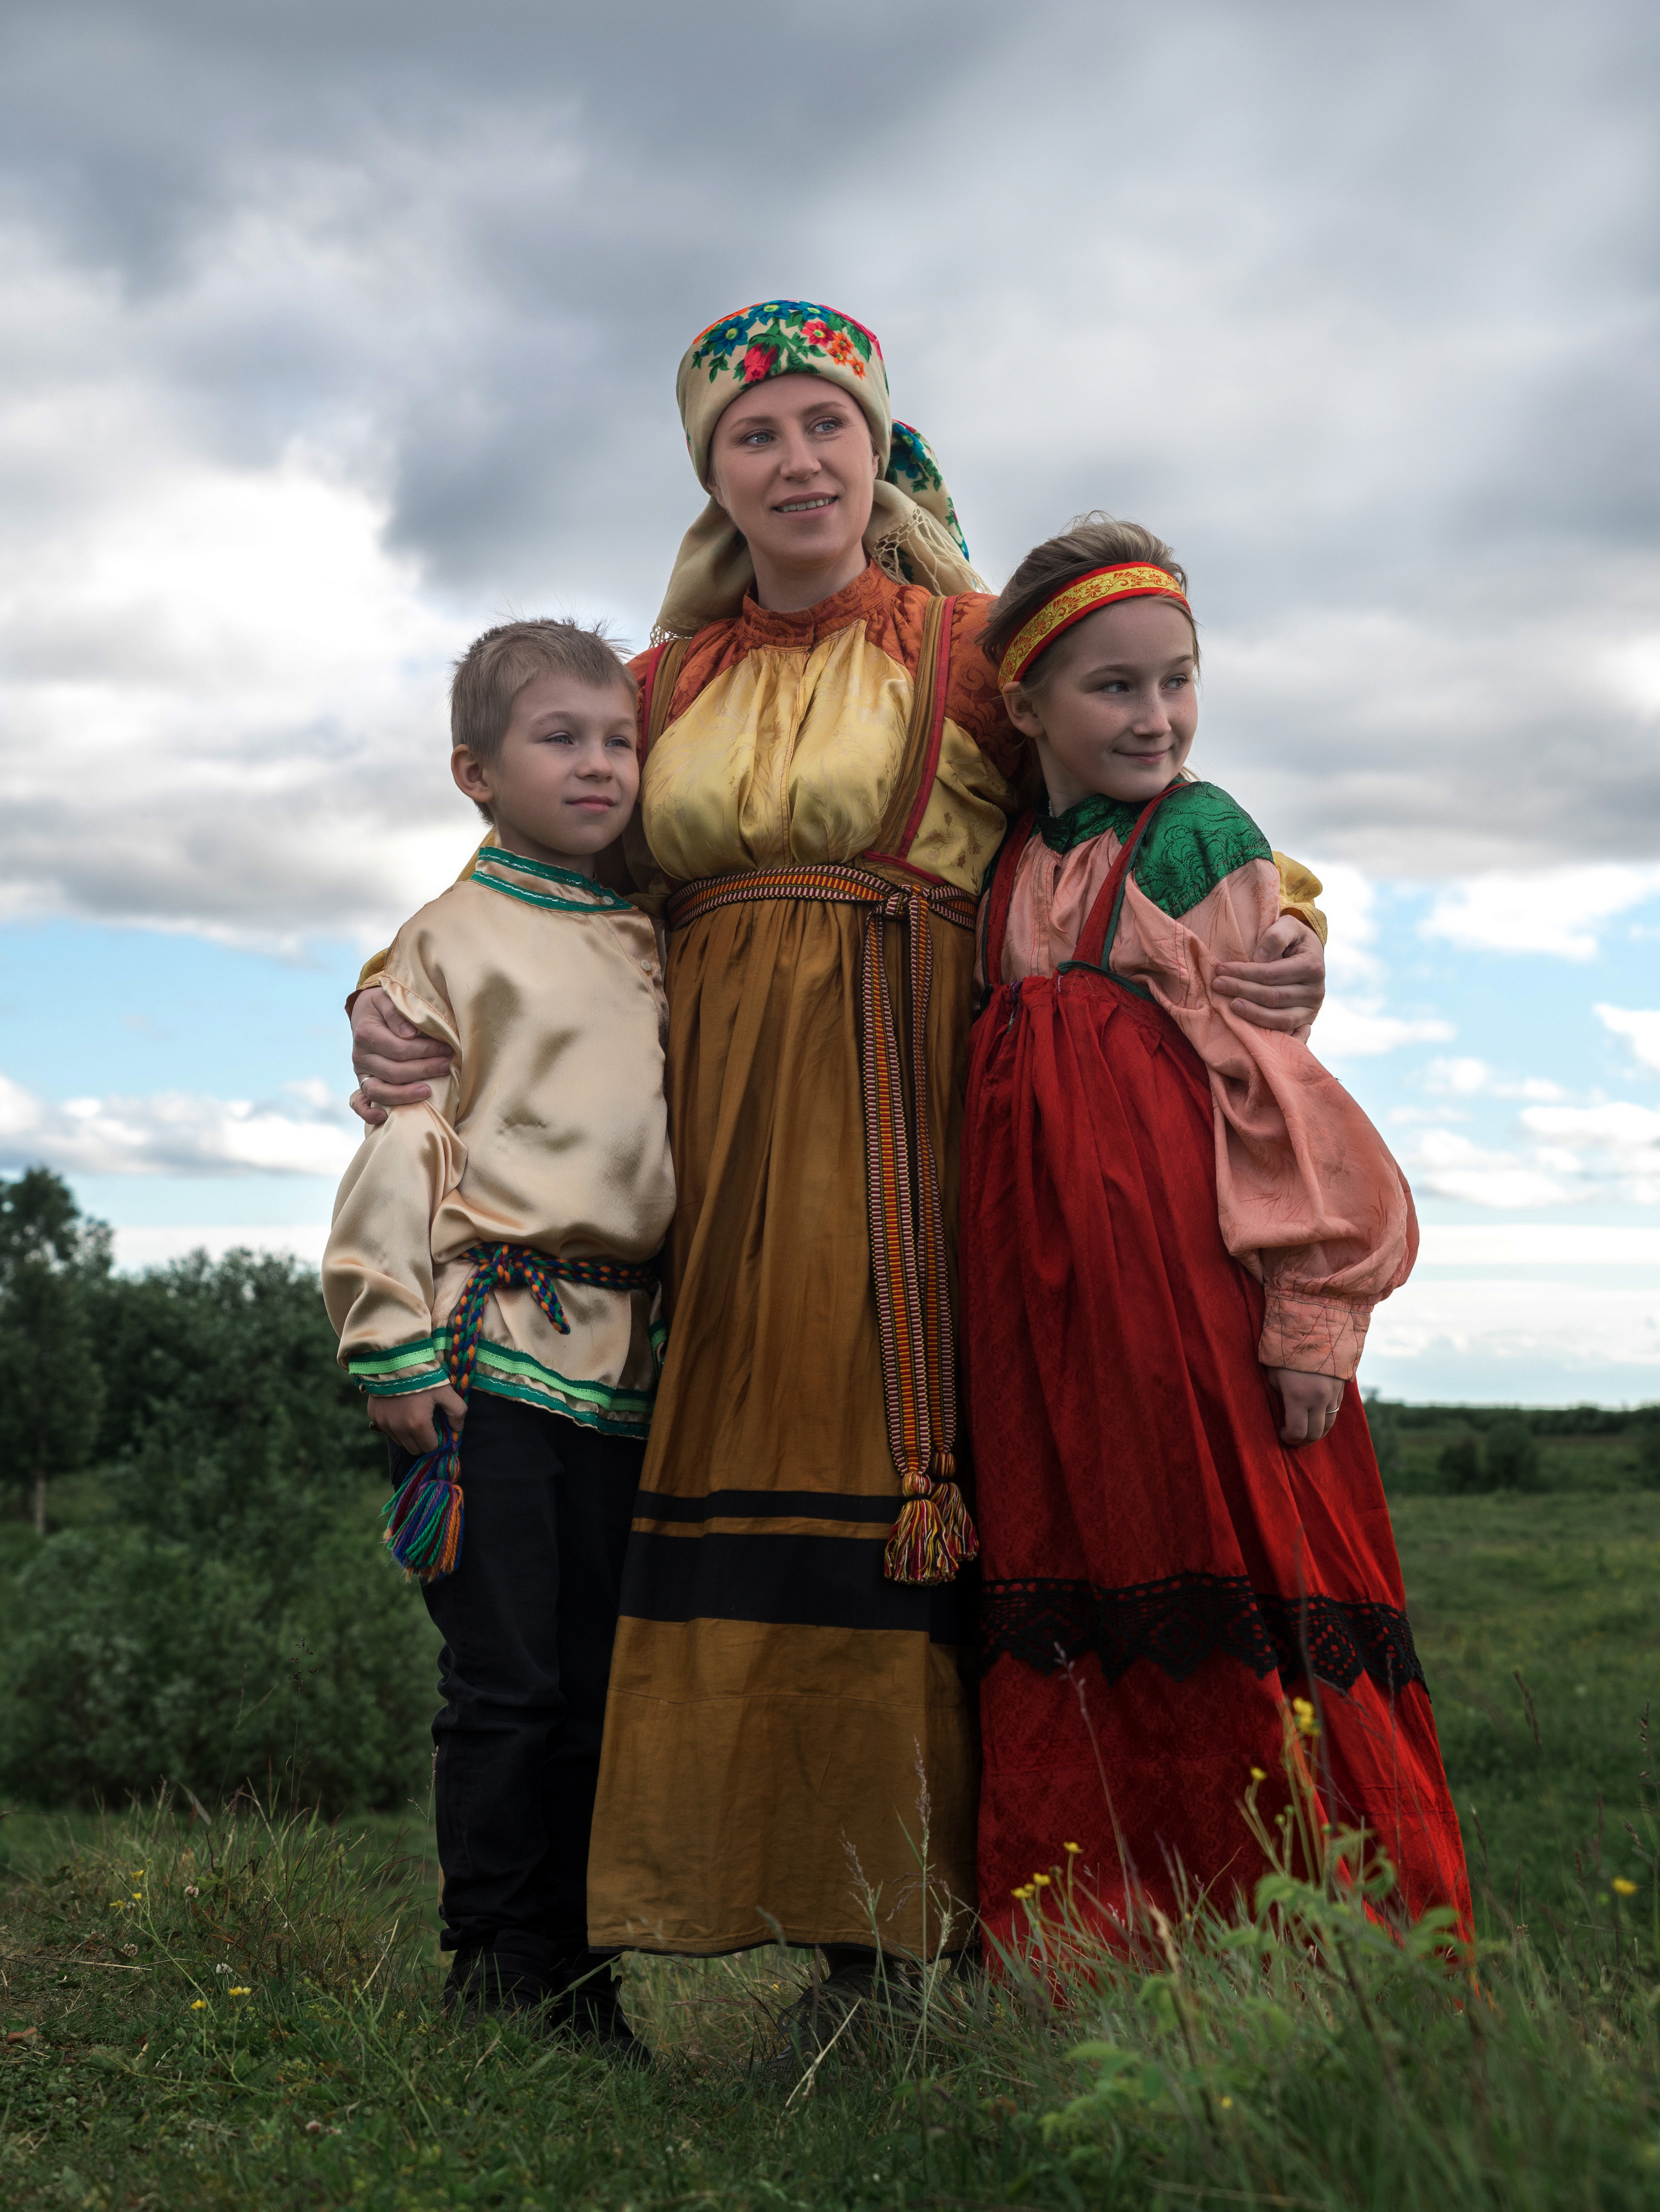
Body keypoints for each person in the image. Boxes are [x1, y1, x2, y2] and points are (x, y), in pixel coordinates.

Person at [346, 303, 1333, 2035]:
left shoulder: (969, 651)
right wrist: (387, 1003)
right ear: (714, 477)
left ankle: (890, 1957)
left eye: (827, 422)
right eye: (755, 434)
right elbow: (522, 877)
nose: (797, 458)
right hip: (705, 1143)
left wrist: (1274, 922)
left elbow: (1134, 776)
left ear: (878, 446)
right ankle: (620, 1925)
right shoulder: (663, 689)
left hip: (920, 1115)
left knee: (919, 1488)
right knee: (685, 1501)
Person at [962, 519, 1472, 1957]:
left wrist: (1309, 1319)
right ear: (1023, 706)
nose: (1156, 716)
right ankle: (1104, 1951)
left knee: (1240, 1583)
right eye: (1112, 688)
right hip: (1043, 1324)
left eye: (1176, 680)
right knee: (1081, 1584)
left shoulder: (1198, 837)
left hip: (1188, 1308)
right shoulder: (1012, 866)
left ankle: (1327, 1950)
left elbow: (1278, 1095)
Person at [323, 620, 674, 2051]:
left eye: (618, 737)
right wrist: (391, 1340)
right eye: (560, 737)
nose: (599, 762)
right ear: (474, 770)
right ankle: (491, 1962)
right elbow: (400, 1146)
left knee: (596, 1678)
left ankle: (578, 1973)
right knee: (507, 1679)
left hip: (626, 1362)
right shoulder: (447, 943)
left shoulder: (648, 932)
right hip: (490, 1353)